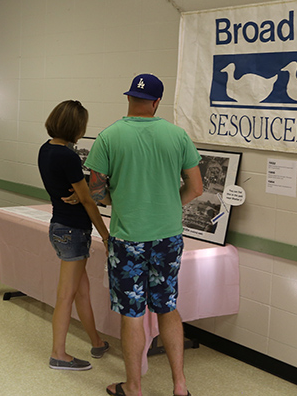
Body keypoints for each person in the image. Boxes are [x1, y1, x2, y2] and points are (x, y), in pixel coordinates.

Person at [84, 74, 203, 396]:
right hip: (168, 236)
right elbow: (196, 187)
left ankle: (134, 386)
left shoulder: (109, 137)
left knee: (133, 312)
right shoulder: (178, 136)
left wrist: (120, 200)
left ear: (129, 99)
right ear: (157, 102)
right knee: (167, 307)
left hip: (128, 237)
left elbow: (95, 192)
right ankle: (179, 385)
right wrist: (167, 205)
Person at [38, 100, 111, 372]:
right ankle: (59, 354)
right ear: (75, 126)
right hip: (73, 231)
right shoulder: (67, 156)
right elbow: (89, 201)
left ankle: (97, 342)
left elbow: (78, 193)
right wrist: (105, 235)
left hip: (60, 226)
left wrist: (80, 196)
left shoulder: (46, 150)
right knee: (66, 296)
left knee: (82, 291)